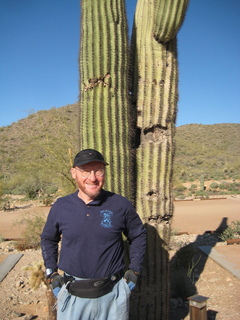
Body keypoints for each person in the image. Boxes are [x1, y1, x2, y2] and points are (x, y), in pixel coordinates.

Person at [40, 149, 146, 320]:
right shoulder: (61, 206)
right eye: (85, 171)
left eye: (98, 170)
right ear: (73, 173)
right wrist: (51, 273)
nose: (93, 177)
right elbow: (48, 238)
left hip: (113, 295)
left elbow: (138, 235)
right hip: (73, 296)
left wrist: (135, 270)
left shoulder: (120, 204)